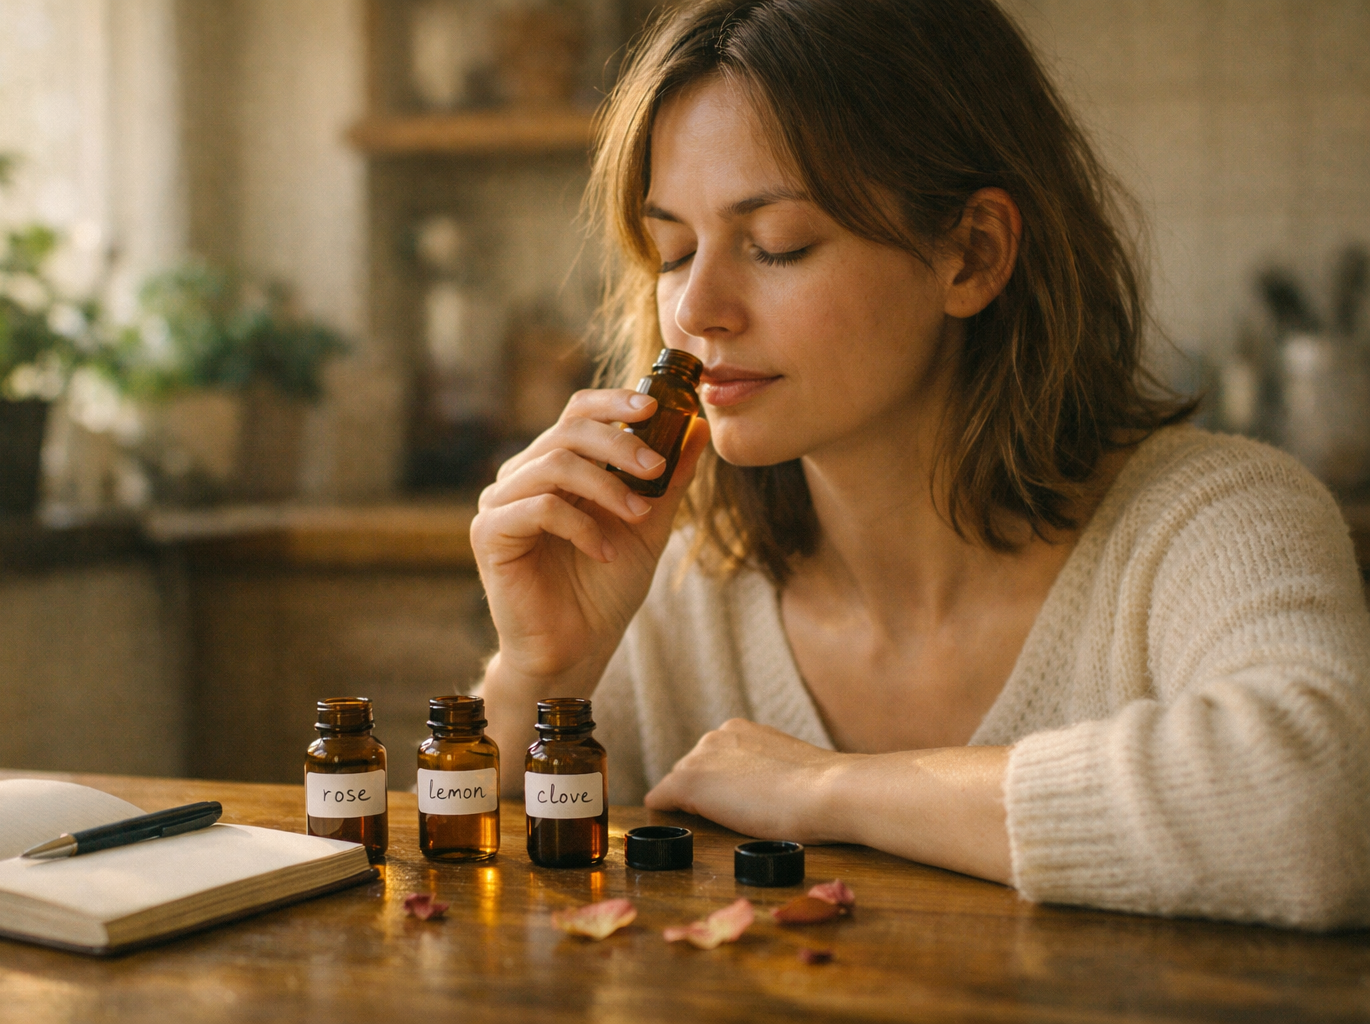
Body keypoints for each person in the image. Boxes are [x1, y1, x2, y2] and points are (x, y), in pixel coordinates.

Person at [471, 0, 1370, 930]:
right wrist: (544, 670)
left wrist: (830, 789)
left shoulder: (1212, 522)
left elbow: (1324, 806)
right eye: (673, 251)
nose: (698, 310)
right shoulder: (677, 585)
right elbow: (466, 891)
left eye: (777, 244)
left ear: (971, 254)